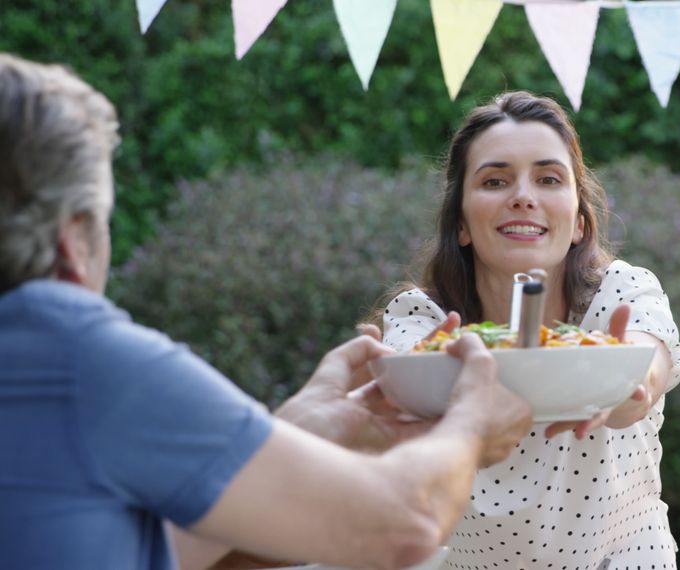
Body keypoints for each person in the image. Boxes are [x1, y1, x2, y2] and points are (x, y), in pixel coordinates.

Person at [0, 52, 533, 570]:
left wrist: (306, 428)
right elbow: (403, 526)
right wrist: (468, 424)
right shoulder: (79, 358)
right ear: (74, 239)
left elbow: (156, 549)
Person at [373, 91, 680, 568]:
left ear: (580, 221)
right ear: (461, 222)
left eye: (548, 179)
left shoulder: (625, 292)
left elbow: (645, 367)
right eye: (496, 180)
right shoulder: (422, 320)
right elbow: (404, 393)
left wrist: (624, 387)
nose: (523, 196)